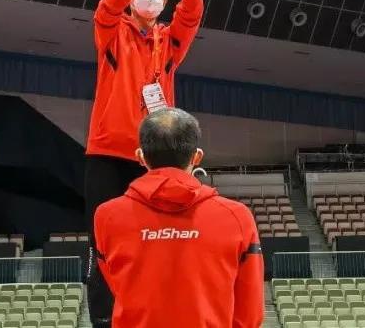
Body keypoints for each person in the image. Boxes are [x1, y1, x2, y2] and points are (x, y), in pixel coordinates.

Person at [85, 0, 204, 326]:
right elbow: (106, 6)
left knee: (155, 239)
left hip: (154, 158)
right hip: (106, 152)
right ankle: (104, 320)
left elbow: (193, 12)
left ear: (164, 2)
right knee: (102, 242)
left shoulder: (170, 42)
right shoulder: (111, 32)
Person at [93, 109, 264, 328]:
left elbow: (115, 285)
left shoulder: (107, 216)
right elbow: (249, 311)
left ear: (140, 156)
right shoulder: (237, 217)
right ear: (197, 156)